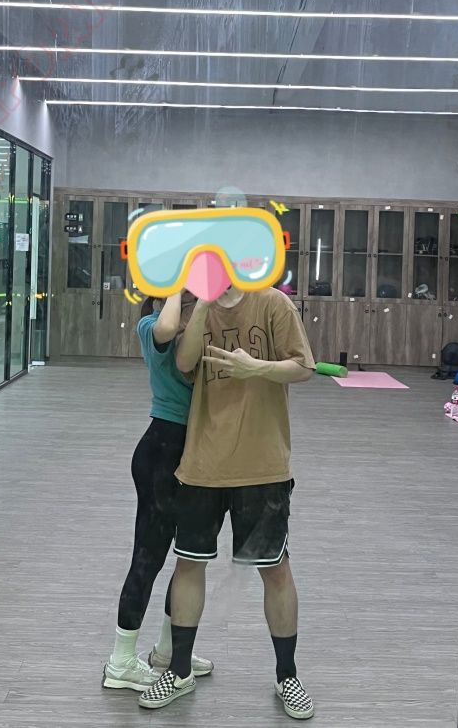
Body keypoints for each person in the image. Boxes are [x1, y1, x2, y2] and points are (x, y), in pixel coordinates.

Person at [139, 284, 316, 719]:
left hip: (264, 465)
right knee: (188, 564)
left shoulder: (273, 303)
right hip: (203, 463)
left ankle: (288, 676)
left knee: (275, 569)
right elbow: (184, 364)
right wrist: (203, 301)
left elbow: (303, 366)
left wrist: (256, 368)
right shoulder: (195, 307)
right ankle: (179, 670)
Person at [102, 291, 213, 691]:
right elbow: (167, 326)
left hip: (193, 452)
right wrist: (175, 287)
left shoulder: (196, 328)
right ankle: (120, 662)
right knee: (147, 559)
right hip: (162, 454)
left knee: (188, 561)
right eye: (188, 298)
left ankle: (168, 650)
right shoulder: (150, 325)